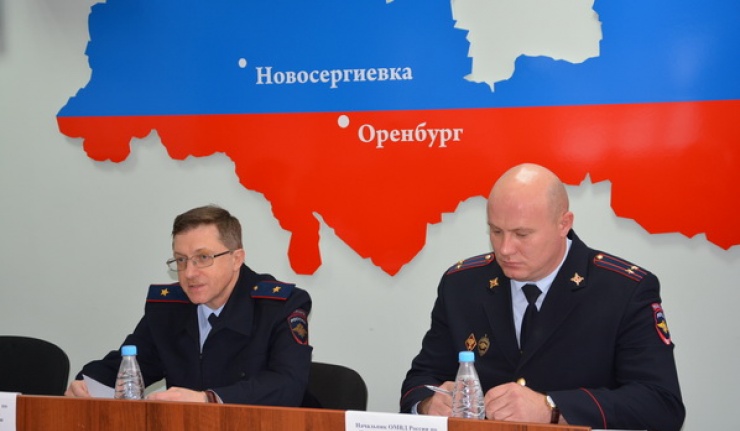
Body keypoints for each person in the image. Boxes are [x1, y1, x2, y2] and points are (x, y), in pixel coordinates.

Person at [400, 163, 685, 430]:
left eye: (522, 234)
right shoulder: (461, 285)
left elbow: (661, 404)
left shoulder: (623, 290)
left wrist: (553, 409)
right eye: (496, 231)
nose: (505, 249)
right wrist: (428, 404)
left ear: (563, 224)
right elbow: (422, 378)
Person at [65, 205, 313, 405]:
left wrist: (209, 399)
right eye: (181, 260)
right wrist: (87, 384)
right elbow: (131, 365)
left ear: (236, 259)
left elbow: (288, 384)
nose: (189, 273)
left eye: (203, 258)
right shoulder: (169, 308)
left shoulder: (279, 305)